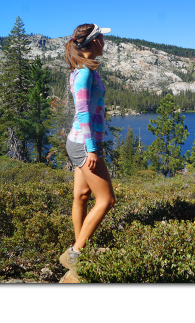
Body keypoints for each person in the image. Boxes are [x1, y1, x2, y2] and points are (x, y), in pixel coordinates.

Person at [59, 23, 116, 273]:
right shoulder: (83, 72)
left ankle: (79, 244)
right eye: (102, 37)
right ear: (93, 42)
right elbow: (82, 111)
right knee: (106, 200)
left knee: (81, 196)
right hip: (85, 143)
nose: (104, 41)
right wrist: (92, 149)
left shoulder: (84, 69)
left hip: (79, 141)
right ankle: (76, 253)